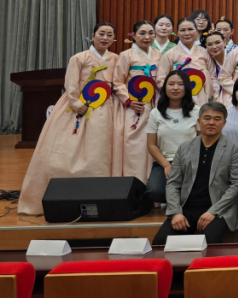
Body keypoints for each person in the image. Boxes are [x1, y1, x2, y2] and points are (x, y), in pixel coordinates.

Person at [19, 23, 120, 215]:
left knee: (101, 149)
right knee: (65, 152)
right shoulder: (79, 58)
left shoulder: (116, 58)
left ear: (114, 39)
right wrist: (75, 102)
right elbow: (71, 84)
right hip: (80, 106)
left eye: (109, 35)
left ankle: (102, 196)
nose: (105, 38)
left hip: (107, 108)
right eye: (101, 34)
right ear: (93, 36)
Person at [153, 102, 238, 245]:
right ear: (198, 121)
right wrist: (176, 212)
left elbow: (236, 185)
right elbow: (173, 183)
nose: (211, 122)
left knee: (210, 242)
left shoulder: (235, 149)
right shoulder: (185, 148)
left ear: (224, 123)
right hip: (186, 208)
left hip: (218, 209)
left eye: (217, 119)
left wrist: (213, 212)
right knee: (159, 243)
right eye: (207, 118)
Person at [113, 21, 160, 182]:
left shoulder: (157, 54)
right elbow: (117, 81)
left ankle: (152, 184)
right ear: (133, 35)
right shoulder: (126, 55)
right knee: (134, 144)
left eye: (151, 33)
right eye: (142, 33)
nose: (147, 37)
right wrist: (128, 101)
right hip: (135, 106)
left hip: (155, 105)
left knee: (154, 144)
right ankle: (134, 183)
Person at [147, 70, 199, 203]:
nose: (175, 88)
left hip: (191, 162)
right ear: (165, 87)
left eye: (180, 84)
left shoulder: (197, 111)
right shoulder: (155, 113)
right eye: (171, 84)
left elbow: (202, 141)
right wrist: (166, 165)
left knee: (196, 190)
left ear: (186, 88)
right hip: (165, 161)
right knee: (155, 191)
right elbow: (151, 145)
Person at [159, 18, 214, 108]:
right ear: (177, 33)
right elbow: (161, 79)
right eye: (182, 30)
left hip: (203, 98)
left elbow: (213, 76)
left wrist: (213, 96)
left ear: (196, 31)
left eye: (190, 29)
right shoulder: (170, 54)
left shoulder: (204, 52)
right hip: (178, 100)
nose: (187, 33)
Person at [203, 32, 228, 103]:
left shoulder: (233, 55)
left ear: (224, 42)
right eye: (210, 44)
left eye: (217, 43)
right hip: (216, 97)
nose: (214, 47)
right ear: (206, 46)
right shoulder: (208, 60)